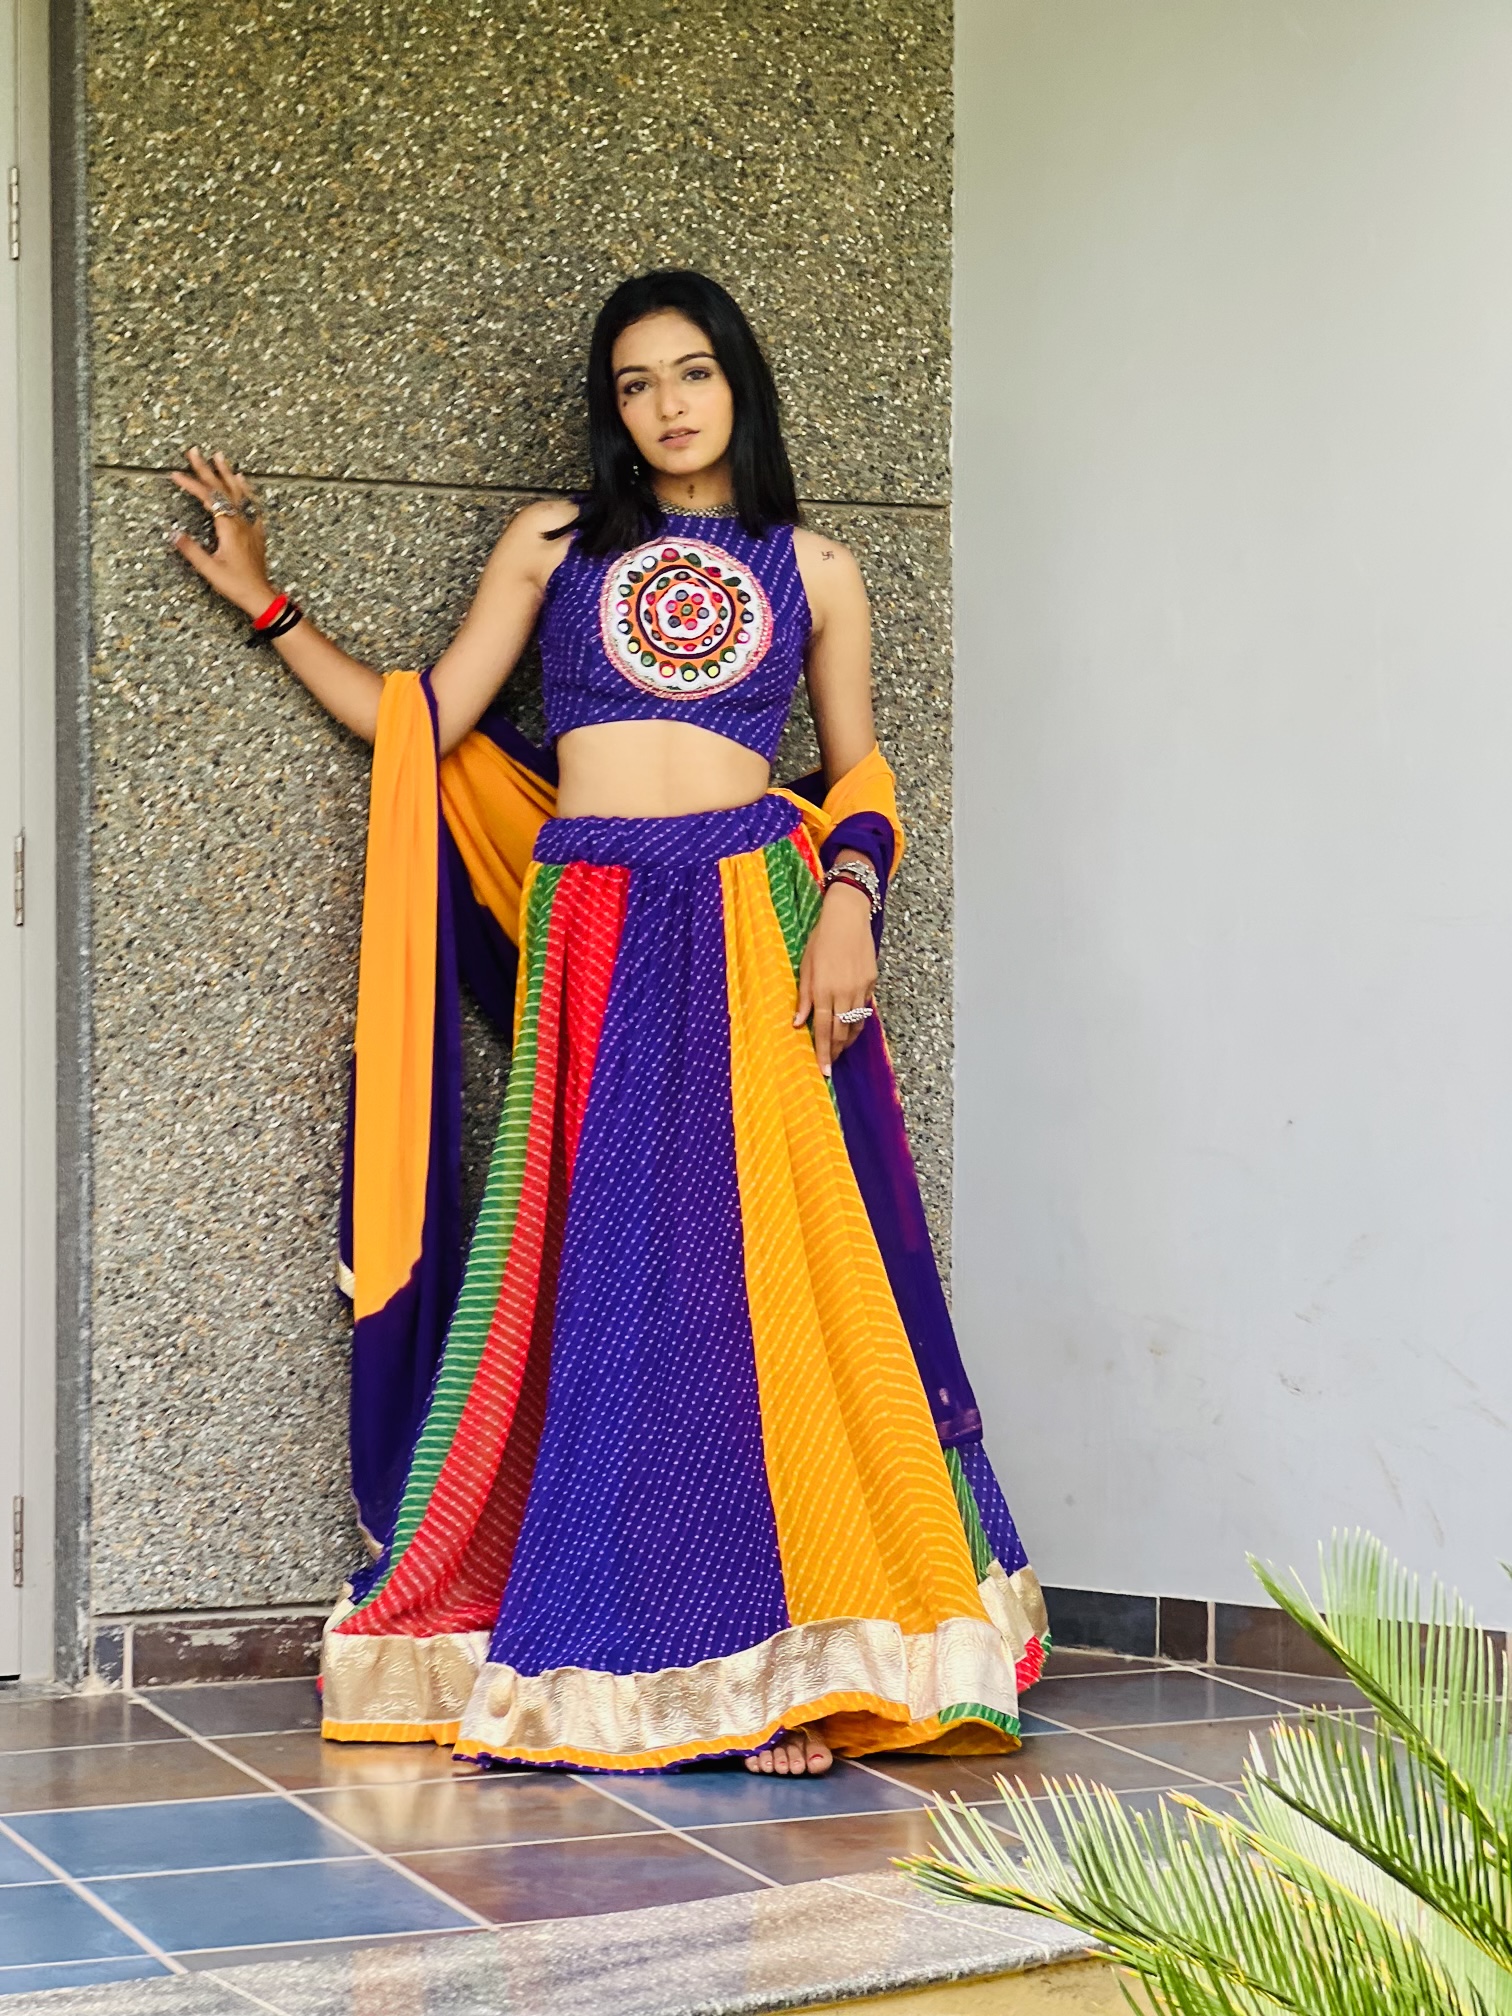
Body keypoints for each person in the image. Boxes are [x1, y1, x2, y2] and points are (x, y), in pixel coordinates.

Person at [169, 269, 1045, 1778]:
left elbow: (859, 773)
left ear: (739, 382)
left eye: (691, 372)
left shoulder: (817, 568)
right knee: (599, 1285)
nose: (666, 405)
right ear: (612, 408)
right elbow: (418, 723)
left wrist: (850, 902)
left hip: (750, 925)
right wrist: (269, 602)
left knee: (752, 1285)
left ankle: (785, 1668)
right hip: (592, 934)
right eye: (635, 384)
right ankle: (654, 1645)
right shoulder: (554, 544)